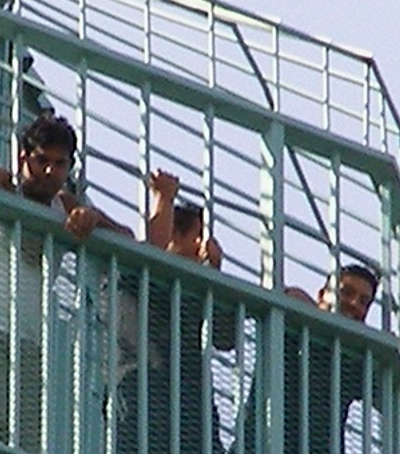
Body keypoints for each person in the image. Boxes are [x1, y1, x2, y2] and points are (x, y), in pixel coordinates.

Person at [0, 114, 148, 451]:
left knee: (23, 442)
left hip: (29, 338)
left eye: (59, 164)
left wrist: (92, 218)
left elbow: (127, 239)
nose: (49, 171)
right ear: (22, 157)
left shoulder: (63, 206)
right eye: (41, 160)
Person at [115, 178, 233, 453]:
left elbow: (226, 338)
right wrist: (164, 199)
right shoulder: (140, 270)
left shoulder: (198, 290)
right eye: (199, 234)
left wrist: (215, 272)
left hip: (191, 395)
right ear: (177, 235)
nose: (204, 245)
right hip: (143, 383)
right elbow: (150, 259)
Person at [235, 264, 379, 453]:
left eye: (364, 302)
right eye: (346, 292)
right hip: (263, 444)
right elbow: (292, 295)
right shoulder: (292, 324)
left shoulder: (351, 361)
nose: (354, 304)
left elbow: (386, 390)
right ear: (322, 295)